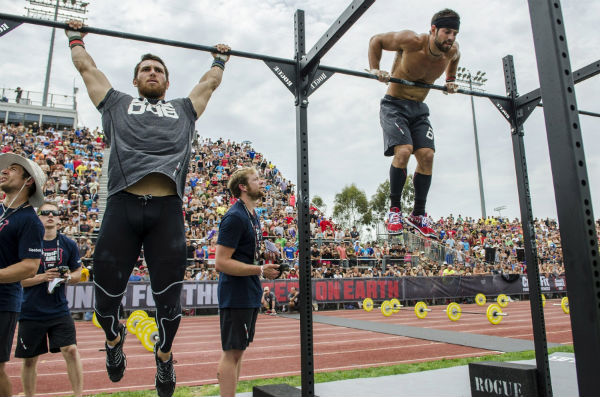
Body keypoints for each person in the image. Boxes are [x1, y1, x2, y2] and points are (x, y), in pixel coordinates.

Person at [64, 19, 231, 396]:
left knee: (170, 302)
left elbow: (209, 84)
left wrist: (219, 60)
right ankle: (113, 340)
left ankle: (165, 355)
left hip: (166, 210)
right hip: (122, 205)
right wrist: (74, 37)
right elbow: (86, 67)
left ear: (167, 82)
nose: (152, 73)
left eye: (158, 70)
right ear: (136, 79)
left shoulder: (183, 109)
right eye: (145, 70)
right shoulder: (117, 102)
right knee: (104, 299)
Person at [368, 9, 461, 238]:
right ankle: (394, 210)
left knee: (427, 155)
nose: (451, 37)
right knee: (405, 151)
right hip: (394, 106)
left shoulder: (452, 51)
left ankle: (418, 214)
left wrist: (451, 80)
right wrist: (375, 68)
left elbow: (455, 60)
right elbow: (376, 41)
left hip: (419, 109)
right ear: (433, 30)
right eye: (447, 31)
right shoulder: (411, 41)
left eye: (455, 33)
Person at [215, 167, 279, 397]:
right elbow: (221, 262)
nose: (262, 182)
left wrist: (266, 258)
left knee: (238, 351)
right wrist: (260, 268)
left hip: (248, 290)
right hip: (235, 293)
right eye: (256, 179)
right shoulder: (235, 217)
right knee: (231, 353)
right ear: (242, 187)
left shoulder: (252, 215)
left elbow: (246, 255)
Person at [16, 201, 84, 397]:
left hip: (59, 310)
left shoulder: (68, 244)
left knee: (70, 350)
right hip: (30, 310)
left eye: (54, 213)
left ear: (60, 218)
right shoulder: (27, 244)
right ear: (38, 218)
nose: (50, 216)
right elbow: (18, 280)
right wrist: (43, 277)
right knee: (29, 359)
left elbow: (78, 274)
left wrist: (68, 277)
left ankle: (78, 394)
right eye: (45, 213)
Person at [0, 153, 46, 397]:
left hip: (3, 301)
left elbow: (29, 266)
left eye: (14, 170)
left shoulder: (30, 221)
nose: (5, 171)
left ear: (28, 181)